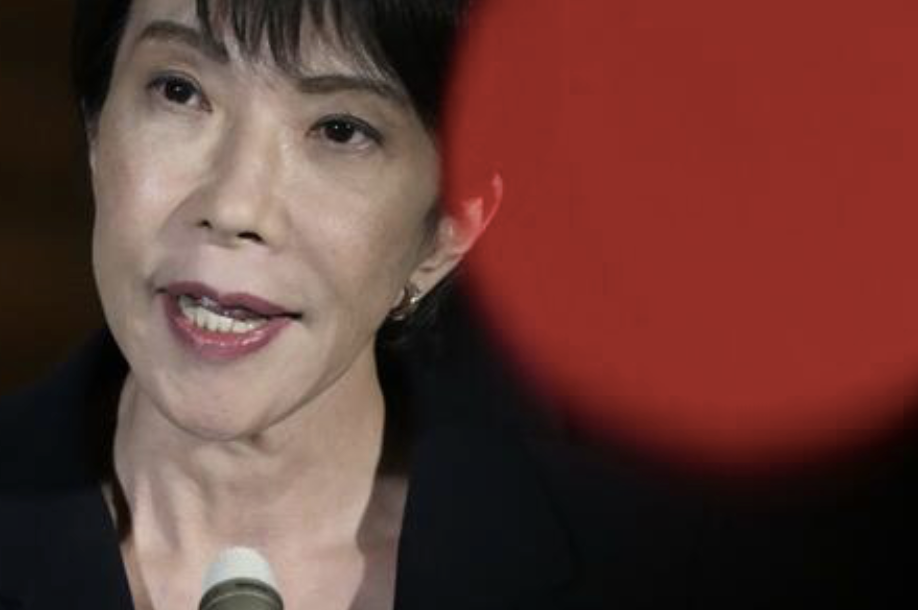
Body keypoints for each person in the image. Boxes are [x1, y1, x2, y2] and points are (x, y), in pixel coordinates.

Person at [2, 1, 917, 609]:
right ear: (95, 129)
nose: (236, 204)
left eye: (341, 130)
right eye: (179, 91)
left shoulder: (661, 567)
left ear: (450, 228)